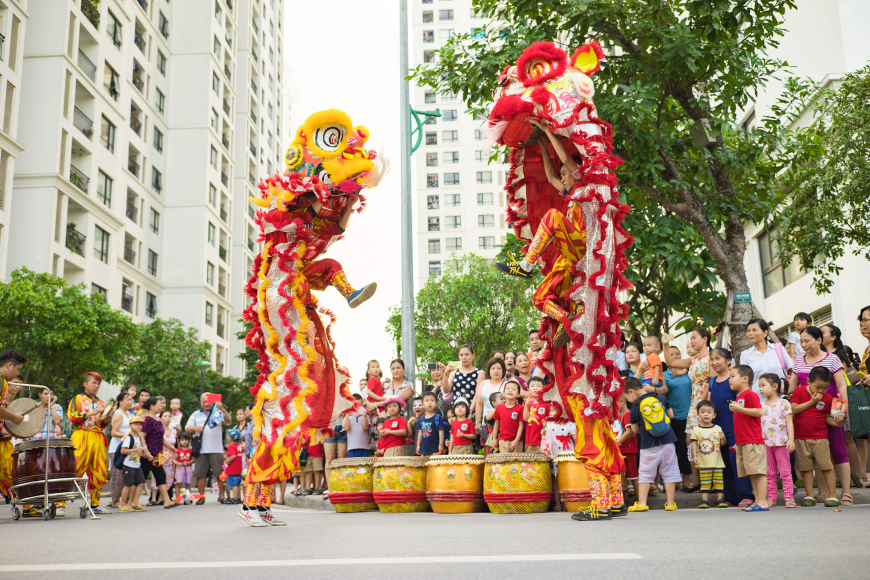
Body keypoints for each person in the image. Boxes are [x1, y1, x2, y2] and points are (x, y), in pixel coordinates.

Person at [495, 121, 587, 348]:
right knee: (539, 297)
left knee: (554, 215)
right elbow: (550, 177)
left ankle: (526, 265)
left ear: (577, 173)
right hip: (570, 258)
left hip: (584, 249)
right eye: (563, 174)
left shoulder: (584, 185)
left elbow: (566, 160)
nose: (563, 177)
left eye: (566, 173)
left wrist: (547, 130)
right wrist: (544, 147)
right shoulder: (568, 190)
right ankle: (568, 321)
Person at [788, 326, 851, 504]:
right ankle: (823, 493)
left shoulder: (832, 359)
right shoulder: (799, 361)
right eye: (801, 341)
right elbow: (792, 387)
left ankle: (846, 493)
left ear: (819, 341)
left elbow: (841, 387)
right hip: (806, 416)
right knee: (816, 456)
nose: (803, 345)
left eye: (807, 341)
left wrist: (841, 411)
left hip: (829, 411)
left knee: (838, 451)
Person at [663, 328, 712, 490]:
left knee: (708, 440)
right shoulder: (693, 359)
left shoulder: (712, 357)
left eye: (694, 338)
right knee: (690, 441)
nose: (691, 341)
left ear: (705, 339)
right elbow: (670, 363)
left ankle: (710, 481)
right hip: (694, 404)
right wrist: (665, 344)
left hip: (707, 403)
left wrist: (704, 404)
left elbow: (711, 382)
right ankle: (696, 480)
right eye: (691, 338)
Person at [707, 347, 754, 507]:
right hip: (718, 430)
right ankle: (731, 497)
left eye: (718, 358)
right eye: (712, 359)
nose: (714, 362)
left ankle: (746, 495)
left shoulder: (734, 381)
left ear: (728, 361)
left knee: (737, 463)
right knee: (724, 464)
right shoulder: (712, 382)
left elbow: (741, 405)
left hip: (734, 429)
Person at [625, 377, 680, 512]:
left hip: (648, 445)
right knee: (669, 472)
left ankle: (642, 503)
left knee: (645, 473)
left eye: (626, 396)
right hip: (668, 442)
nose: (627, 400)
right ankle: (671, 503)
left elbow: (635, 430)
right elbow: (671, 415)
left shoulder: (635, 406)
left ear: (631, 392)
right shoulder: (660, 397)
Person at [791, 366, 842, 507]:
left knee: (826, 466)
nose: (820, 391)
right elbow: (794, 409)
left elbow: (827, 417)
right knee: (806, 468)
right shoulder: (799, 391)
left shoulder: (827, 397)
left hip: (821, 437)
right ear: (808, 381)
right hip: (801, 437)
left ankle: (832, 495)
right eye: (817, 387)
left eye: (824, 388)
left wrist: (840, 420)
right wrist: (812, 402)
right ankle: (809, 496)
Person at [728, 365, 769, 512]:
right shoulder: (739, 396)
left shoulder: (750, 394)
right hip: (743, 441)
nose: (729, 379)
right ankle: (757, 500)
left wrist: (739, 409)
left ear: (745, 379)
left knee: (758, 471)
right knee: (752, 472)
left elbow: (759, 412)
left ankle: (763, 501)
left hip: (753, 440)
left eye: (733, 376)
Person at [67, 372, 109, 513]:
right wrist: (93, 413)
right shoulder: (77, 399)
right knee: (74, 468)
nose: (96, 386)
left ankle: (95, 505)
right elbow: (73, 417)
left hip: (97, 437)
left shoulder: (101, 402)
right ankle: (60, 505)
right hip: (81, 436)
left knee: (98, 470)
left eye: (98, 384)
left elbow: (101, 425)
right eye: (93, 383)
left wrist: (106, 418)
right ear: (85, 384)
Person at [186, 392, 232, 505]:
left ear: (213, 401)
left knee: (220, 474)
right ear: (200, 402)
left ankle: (221, 496)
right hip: (201, 450)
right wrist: (195, 428)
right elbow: (187, 428)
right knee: (200, 474)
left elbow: (228, 421)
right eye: (203, 401)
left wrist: (222, 408)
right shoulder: (195, 414)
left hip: (216, 449)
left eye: (208, 401)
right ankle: (201, 497)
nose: (206, 404)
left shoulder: (218, 412)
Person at [758, 374, 795, 508]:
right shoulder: (760, 405)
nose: (760, 389)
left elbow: (789, 422)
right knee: (769, 473)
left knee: (785, 472)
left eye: (763, 386)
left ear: (774, 387)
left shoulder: (784, 403)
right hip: (765, 444)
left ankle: (789, 497)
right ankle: (771, 498)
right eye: (759, 386)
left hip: (781, 443)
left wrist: (791, 439)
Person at [661, 345, 693, 490]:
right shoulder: (664, 374)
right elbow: (663, 396)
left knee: (685, 448)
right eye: (671, 354)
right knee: (671, 450)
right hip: (671, 416)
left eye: (677, 354)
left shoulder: (689, 372)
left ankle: (686, 479)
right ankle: (674, 480)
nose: (674, 356)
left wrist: (684, 370)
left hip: (688, 416)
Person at [140, 397, 177, 509]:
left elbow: (161, 437)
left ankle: (167, 500)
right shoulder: (148, 420)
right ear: (152, 406)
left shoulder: (157, 420)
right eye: (159, 404)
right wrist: (145, 451)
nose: (161, 406)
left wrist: (171, 447)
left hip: (158, 454)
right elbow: (141, 435)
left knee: (161, 477)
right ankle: (132, 501)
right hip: (149, 454)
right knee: (141, 478)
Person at [740, 318, 793, 396]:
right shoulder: (745, 355)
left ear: (765, 333)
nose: (750, 333)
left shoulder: (778, 349)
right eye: (748, 331)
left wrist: (787, 389)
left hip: (781, 399)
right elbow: (744, 381)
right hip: (759, 401)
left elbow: (792, 370)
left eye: (754, 330)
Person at [690, 400, 727, 508]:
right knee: (705, 482)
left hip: (717, 462)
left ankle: (720, 500)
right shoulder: (696, 430)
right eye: (703, 412)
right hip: (703, 462)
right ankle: (704, 501)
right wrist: (695, 456)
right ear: (698, 415)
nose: (706, 414)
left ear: (714, 415)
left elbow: (723, 444)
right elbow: (694, 444)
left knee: (718, 482)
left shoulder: (718, 428)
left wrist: (723, 437)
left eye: (709, 412)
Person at [107, 391, 134, 509]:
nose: (130, 401)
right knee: (117, 476)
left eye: (131, 399)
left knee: (126, 475)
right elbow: (113, 432)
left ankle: (126, 500)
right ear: (120, 402)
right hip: (117, 449)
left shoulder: (129, 414)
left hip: (127, 448)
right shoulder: (118, 413)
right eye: (127, 399)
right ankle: (116, 500)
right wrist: (127, 435)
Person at [444, 346, 483, 425]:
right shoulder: (454, 372)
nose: (464, 357)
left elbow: (477, 394)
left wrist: (470, 411)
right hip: (456, 413)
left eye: (466, 355)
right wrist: (445, 374)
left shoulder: (479, 372)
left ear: (473, 355)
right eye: (461, 355)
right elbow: (446, 390)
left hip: (472, 412)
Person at [117, 415, 147, 512]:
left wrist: (145, 455)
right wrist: (135, 450)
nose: (138, 426)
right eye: (136, 424)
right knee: (128, 484)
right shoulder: (129, 438)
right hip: (128, 465)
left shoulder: (138, 437)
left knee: (141, 482)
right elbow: (123, 451)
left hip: (136, 464)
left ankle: (135, 502)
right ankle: (122, 504)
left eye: (140, 425)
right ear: (130, 426)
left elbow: (138, 451)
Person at [614, 394, 638, 498]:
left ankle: (640, 499)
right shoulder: (616, 416)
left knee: (633, 475)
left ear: (622, 401)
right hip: (619, 449)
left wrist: (616, 443)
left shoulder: (627, 413)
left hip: (628, 448)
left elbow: (628, 432)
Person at [491, 381, 524, 453]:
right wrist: (494, 438)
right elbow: (496, 423)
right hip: (503, 441)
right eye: (508, 388)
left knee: (517, 463)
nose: (510, 390)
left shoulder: (520, 408)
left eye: (513, 389)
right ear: (504, 393)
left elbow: (521, 425)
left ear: (518, 394)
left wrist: (517, 440)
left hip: (517, 441)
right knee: (505, 462)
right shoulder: (499, 407)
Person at [476, 358, 508, 424]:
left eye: (499, 368)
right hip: (487, 423)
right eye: (493, 368)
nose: (496, 371)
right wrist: (478, 422)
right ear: (489, 370)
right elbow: (479, 404)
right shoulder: (483, 383)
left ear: (503, 371)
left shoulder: (507, 385)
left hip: (503, 422)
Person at [523, 377, 549, 453]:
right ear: (528, 389)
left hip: (543, 439)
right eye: (532, 386)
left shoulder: (546, 403)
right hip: (530, 440)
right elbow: (525, 418)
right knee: (531, 463)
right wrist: (526, 406)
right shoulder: (527, 403)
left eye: (538, 386)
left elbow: (550, 419)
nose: (535, 388)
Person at [416, 392, 445, 457]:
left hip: (435, 450)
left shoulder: (437, 417)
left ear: (436, 404)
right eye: (427, 401)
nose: (429, 403)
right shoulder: (422, 418)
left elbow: (441, 432)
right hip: (424, 450)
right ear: (423, 404)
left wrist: (441, 445)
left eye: (432, 400)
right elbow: (420, 432)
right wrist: (418, 445)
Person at [343, 394, 371, 458]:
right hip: (352, 447)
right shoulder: (348, 417)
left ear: (362, 405)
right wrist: (347, 415)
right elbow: (346, 428)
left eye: (359, 405)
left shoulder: (366, 416)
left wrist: (364, 416)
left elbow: (365, 428)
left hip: (364, 447)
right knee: (353, 467)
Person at [174, 432, 194, 503]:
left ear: (189, 440)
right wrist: (178, 463)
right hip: (180, 468)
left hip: (188, 468)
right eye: (182, 440)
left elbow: (193, 460)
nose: (185, 441)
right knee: (178, 483)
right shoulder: (178, 450)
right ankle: (177, 499)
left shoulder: (191, 450)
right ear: (179, 441)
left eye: (186, 439)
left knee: (187, 484)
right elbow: (173, 459)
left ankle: (187, 499)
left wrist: (188, 463)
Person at [224, 429, 243, 504]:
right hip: (238, 468)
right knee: (238, 484)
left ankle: (235, 499)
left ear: (231, 438)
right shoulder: (239, 446)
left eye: (228, 435)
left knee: (234, 485)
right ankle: (238, 497)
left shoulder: (231, 446)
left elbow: (233, 456)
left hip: (233, 469)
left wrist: (226, 461)